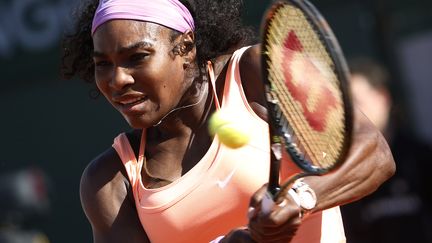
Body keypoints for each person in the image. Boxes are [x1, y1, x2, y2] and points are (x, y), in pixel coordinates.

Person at [60, 1, 395, 242]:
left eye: (137, 57)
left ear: (186, 48)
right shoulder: (108, 182)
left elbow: (374, 154)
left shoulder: (256, 71)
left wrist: (300, 198)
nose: (117, 79)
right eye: (102, 63)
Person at [341, 57, 432, 243]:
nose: (352, 114)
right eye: (345, 107)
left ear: (382, 97)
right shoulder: (344, 172)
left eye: (357, 102)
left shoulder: (421, 158)